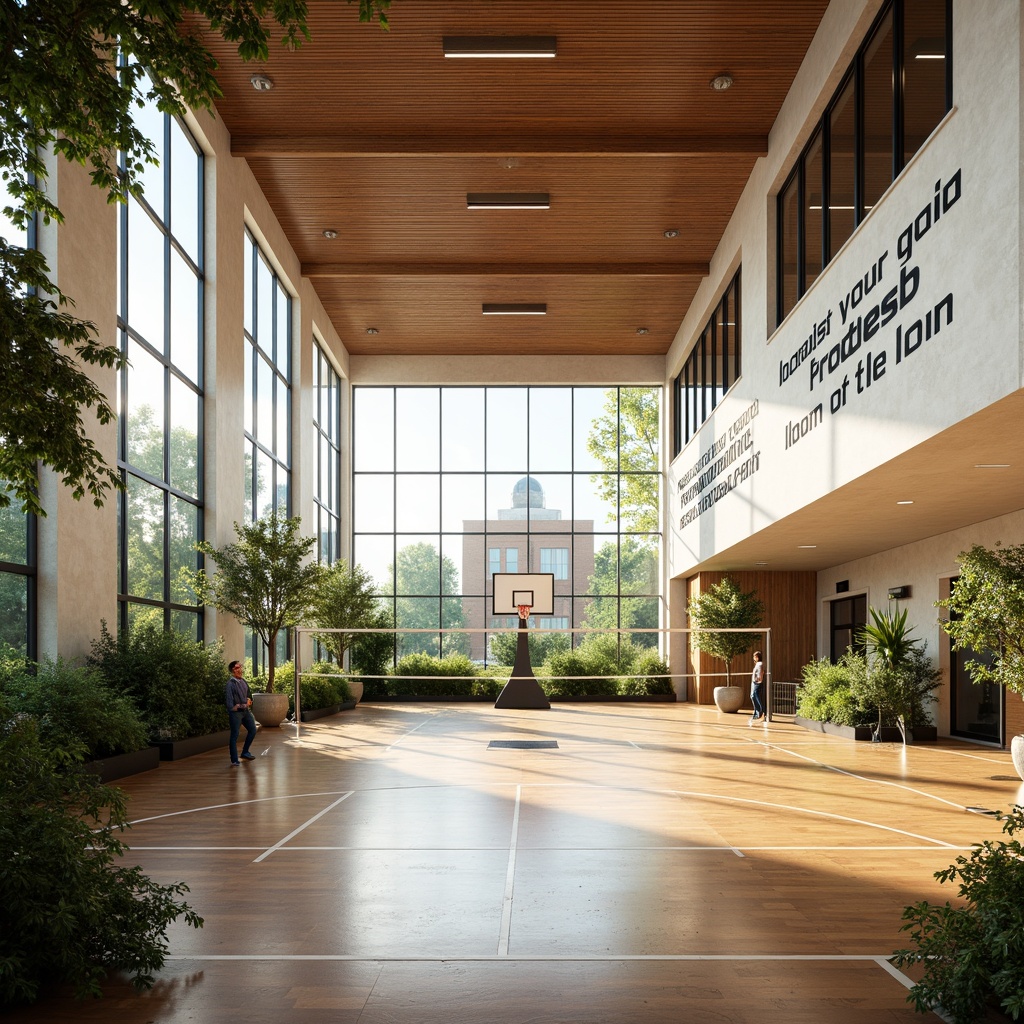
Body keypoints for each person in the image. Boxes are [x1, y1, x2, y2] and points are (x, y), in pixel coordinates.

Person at [225, 659, 257, 765]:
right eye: (237, 668)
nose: (240, 670)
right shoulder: (230, 684)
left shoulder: (243, 681)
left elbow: (248, 694)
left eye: (240, 667)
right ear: (233, 671)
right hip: (236, 714)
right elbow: (230, 705)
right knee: (234, 735)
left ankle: (245, 752)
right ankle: (234, 760)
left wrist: (248, 699)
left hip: (246, 712)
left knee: (252, 730)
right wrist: (243, 705)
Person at [749, 650, 766, 725]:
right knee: (753, 696)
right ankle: (757, 712)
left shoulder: (759, 664)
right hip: (755, 682)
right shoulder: (758, 664)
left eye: (755, 657)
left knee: (755, 696)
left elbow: (760, 673)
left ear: (758, 657)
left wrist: (759, 680)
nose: (754, 658)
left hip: (757, 683)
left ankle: (760, 712)